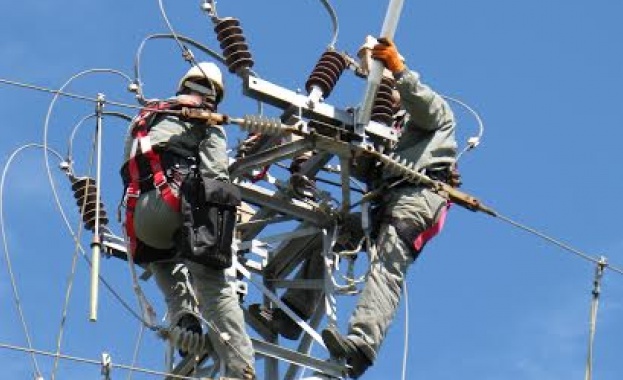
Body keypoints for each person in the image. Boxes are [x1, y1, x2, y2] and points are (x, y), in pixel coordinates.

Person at [321, 37, 458, 378]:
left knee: (387, 265)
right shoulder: (386, 130)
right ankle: (289, 310)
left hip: (417, 199)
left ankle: (361, 347)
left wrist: (398, 70)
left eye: (384, 84)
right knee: (322, 227)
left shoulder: (433, 116)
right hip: (383, 202)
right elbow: (368, 168)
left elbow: (422, 102)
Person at [120, 62, 255, 379]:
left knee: (168, 266)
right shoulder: (207, 118)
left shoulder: (147, 115)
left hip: (139, 220)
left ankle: (185, 319)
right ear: (213, 95)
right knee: (214, 287)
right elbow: (215, 172)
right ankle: (240, 368)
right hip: (175, 203)